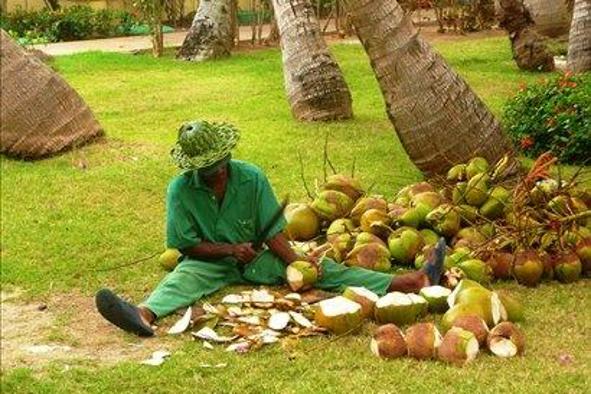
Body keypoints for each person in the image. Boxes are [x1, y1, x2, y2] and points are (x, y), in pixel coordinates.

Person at [96, 120, 445, 337]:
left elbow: (273, 230)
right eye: (208, 168)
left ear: (227, 154)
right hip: (210, 260)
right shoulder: (180, 190)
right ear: (194, 168)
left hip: (261, 256)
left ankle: (411, 282)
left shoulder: (251, 177)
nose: (217, 172)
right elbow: (185, 245)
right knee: (179, 280)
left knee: (325, 271)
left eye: (220, 164)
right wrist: (230, 250)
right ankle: (142, 315)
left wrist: (296, 263)